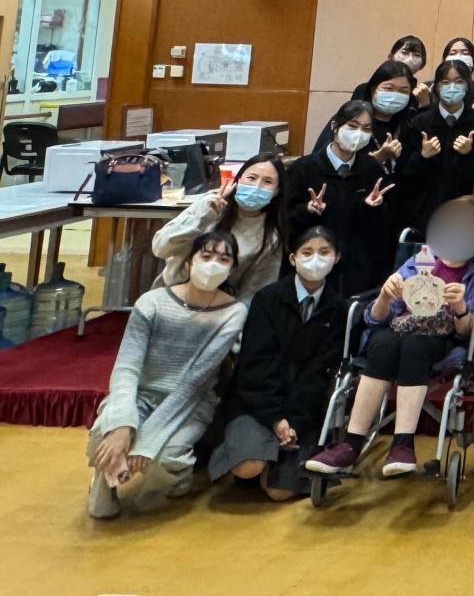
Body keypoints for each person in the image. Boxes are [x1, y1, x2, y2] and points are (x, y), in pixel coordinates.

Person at [305, 196, 474, 479]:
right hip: (401, 327)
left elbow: (467, 331)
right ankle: (351, 444)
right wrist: (385, 296)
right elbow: (376, 318)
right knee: (381, 342)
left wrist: (460, 307)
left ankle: (403, 444)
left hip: (444, 337)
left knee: (413, 347)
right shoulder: (421, 257)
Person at [86, 229, 248, 518]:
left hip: (191, 403)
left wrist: (146, 441)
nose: (213, 264)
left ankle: (178, 478)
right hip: (141, 395)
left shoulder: (233, 312)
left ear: (232, 269)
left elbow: (193, 384)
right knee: (104, 437)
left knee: (164, 459)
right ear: (189, 261)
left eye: (223, 259)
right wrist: (122, 425)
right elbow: (127, 367)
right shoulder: (152, 302)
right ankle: (103, 487)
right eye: (206, 256)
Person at [208, 226, 348, 500]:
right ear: (293, 258)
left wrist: (292, 421)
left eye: (324, 252)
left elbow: (318, 374)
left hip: (303, 412)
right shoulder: (267, 299)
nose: (316, 259)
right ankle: (256, 456)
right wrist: (275, 418)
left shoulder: (338, 308)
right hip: (255, 404)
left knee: (279, 492)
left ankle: (275, 460)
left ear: (337, 258)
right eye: (307, 252)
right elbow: (255, 365)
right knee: (247, 467)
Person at [284, 100, 402, 299]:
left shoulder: (371, 168)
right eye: (352, 126)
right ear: (334, 126)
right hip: (314, 262)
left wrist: (372, 207)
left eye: (366, 128)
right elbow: (287, 218)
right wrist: (308, 210)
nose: (358, 133)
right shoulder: (304, 168)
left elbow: (383, 226)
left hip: (357, 267)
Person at [151, 152, 286, 302]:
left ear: (277, 191)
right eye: (251, 178)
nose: (257, 186)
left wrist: (231, 311)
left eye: (268, 182)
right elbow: (160, 247)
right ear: (238, 179)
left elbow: (255, 290)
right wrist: (205, 216)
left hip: (222, 305)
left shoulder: (271, 235)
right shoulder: (209, 203)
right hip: (172, 293)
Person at [398, 59, 474, 230]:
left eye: (458, 81)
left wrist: (469, 153)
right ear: (436, 86)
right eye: (445, 82)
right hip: (423, 214)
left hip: (465, 212)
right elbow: (404, 172)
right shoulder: (420, 122)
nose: (452, 87)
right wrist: (423, 156)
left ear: (468, 85)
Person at [313, 53, 421, 153]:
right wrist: (375, 160)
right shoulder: (350, 120)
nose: (395, 95)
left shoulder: (407, 123)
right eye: (388, 88)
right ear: (373, 89)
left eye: (403, 91)